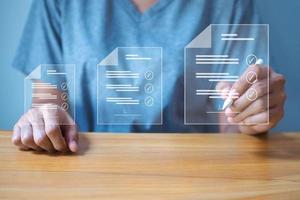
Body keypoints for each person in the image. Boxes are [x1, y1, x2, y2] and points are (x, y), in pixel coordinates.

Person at [11, 0, 286, 153]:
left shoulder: (228, 5)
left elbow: (232, 122)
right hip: (84, 170)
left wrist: (252, 115)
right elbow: (49, 105)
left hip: (192, 178)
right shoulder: (60, 4)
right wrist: (42, 120)